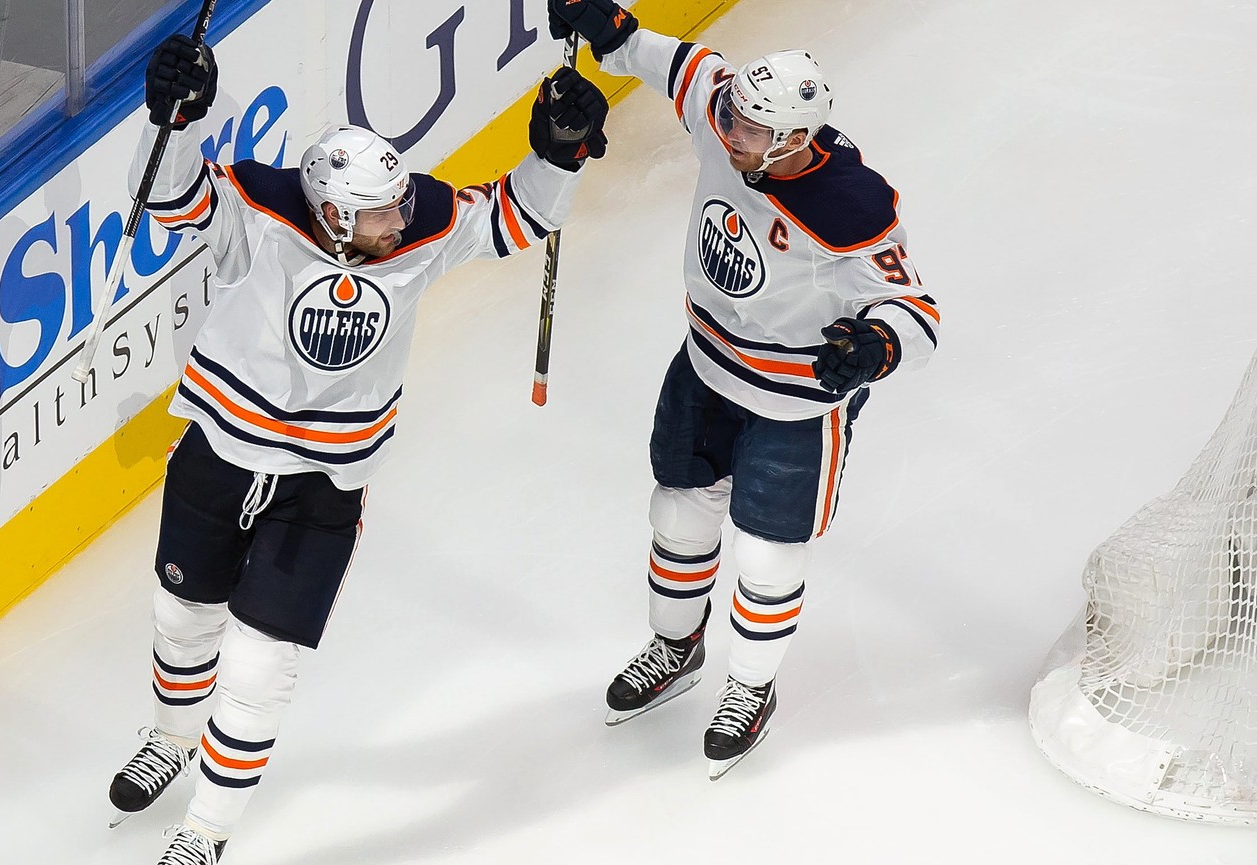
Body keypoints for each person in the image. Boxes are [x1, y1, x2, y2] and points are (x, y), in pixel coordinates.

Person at [106, 34, 610, 865]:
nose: (400, 220)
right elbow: (165, 194)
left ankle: (205, 834)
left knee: (262, 669)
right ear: (333, 214)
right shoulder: (261, 214)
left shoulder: (422, 226)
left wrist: (557, 155)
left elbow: (519, 219)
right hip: (218, 454)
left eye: (400, 204)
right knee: (181, 618)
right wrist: (174, 116)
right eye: (380, 213)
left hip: (324, 488)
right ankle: (169, 737)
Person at [546, 0, 941, 779]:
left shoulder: (850, 208)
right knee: (678, 513)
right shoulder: (732, 114)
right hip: (705, 365)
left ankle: (751, 690)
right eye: (731, 120)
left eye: (752, 133)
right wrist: (612, 26)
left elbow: (918, 312)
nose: (730, 136)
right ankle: (676, 645)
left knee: (766, 556)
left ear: (795, 141)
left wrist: (875, 345)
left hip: (795, 406)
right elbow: (680, 66)